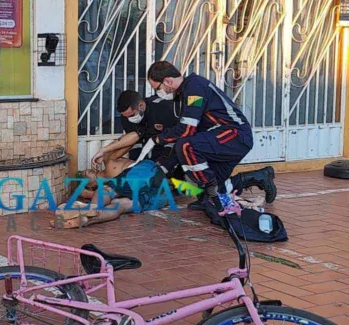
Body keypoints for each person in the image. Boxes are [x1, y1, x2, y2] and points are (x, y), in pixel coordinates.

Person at [93, 61, 276, 215]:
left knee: (186, 146)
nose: (158, 92)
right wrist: (163, 166)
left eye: (158, 87)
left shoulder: (194, 87)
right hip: (217, 137)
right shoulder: (182, 95)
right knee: (210, 191)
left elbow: (187, 129)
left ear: (167, 81)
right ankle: (257, 177)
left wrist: (159, 139)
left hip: (233, 134)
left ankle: (211, 192)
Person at [115, 89, 276, 208]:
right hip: (177, 156)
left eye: (160, 85)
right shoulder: (131, 119)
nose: (130, 118)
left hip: (192, 150)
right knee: (207, 188)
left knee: (204, 186)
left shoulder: (172, 105)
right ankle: (256, 177)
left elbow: (181, 136)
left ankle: (255, 177)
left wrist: (163, 167)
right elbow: (137, 146)